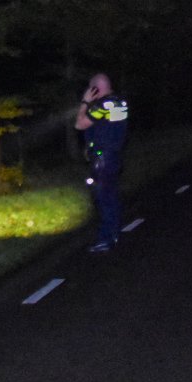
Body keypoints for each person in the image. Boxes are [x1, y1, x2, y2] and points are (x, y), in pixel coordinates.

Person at [76, 72, 129, 252]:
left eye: (91, 89)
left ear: (95, 89)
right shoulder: (119, 102)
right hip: (113, 157)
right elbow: (106, 129)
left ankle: (105, 239)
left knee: (103, 198)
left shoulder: (103, 104)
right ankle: (113, 233)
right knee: (110, 196)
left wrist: (84, 102)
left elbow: (80, 124)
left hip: (103, 160)